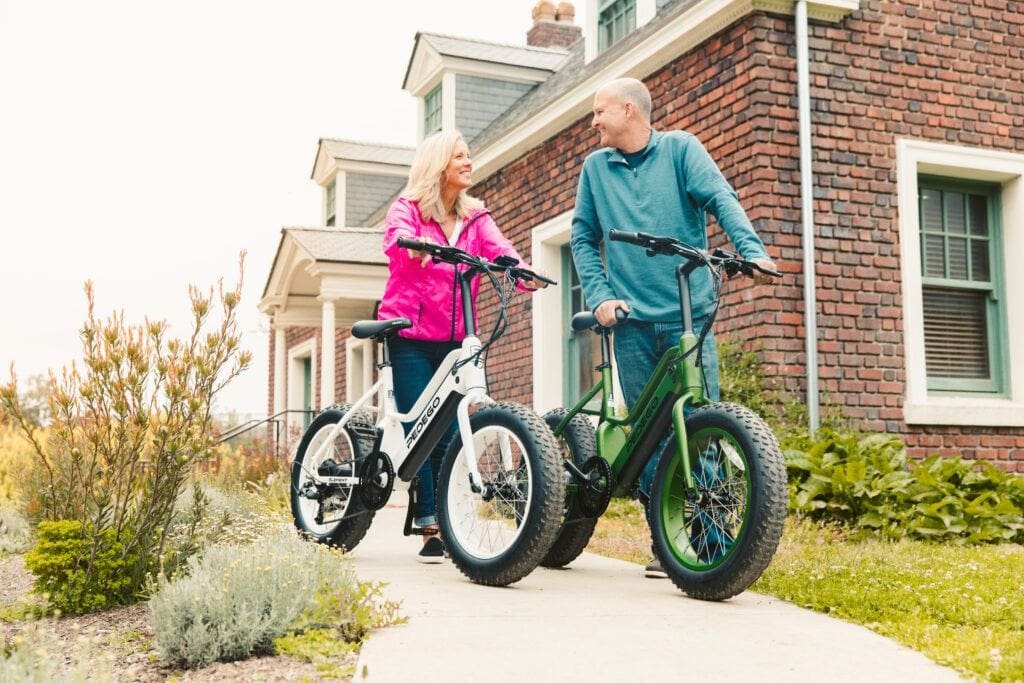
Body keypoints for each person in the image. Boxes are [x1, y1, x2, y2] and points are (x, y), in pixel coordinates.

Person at [570, 77, 777, 578]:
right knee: (651, 437)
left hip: (688, 317)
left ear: (628, 110)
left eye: (599, 112)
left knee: (700, 429)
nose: (593, 121)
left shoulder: (681, 150)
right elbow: (582, 236)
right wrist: (599, 297)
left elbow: (721, 198)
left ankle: (709, 546)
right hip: (632, 321)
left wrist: (751, 250)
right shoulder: (596, 169)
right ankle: (666, 542)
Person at [378, 129, 546, 563]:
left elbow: (500, 250)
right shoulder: (409, 209)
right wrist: (417, 245)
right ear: (439, 165)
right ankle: (430, 522)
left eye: (469, 155)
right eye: (459, 157)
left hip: (459, 335)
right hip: (412, 334)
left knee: (456, 428)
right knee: (424, 432)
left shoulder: (475, 217)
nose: (469, 162)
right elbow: (395, 238)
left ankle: (448, 520)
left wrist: (521, 272)